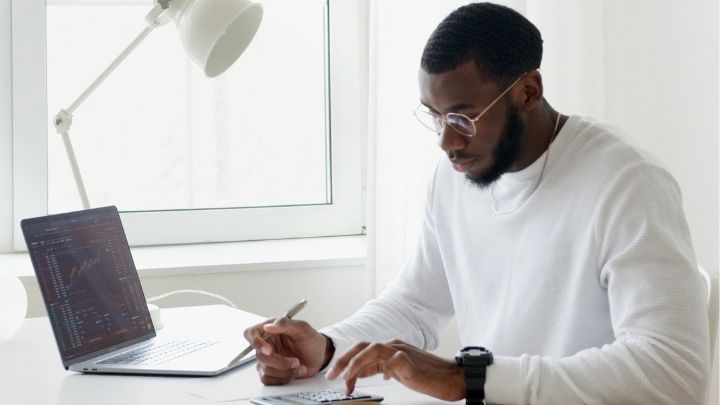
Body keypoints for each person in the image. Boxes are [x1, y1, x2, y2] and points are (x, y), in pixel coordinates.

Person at [243, 3, 710, 404]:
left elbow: (673, 370)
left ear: (528, 91)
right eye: (435, 117)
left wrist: (471, 376)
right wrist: (327, 347)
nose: (446, 142)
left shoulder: (626, 184)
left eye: (464, 119)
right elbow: (415, 304)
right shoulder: (458, 176)